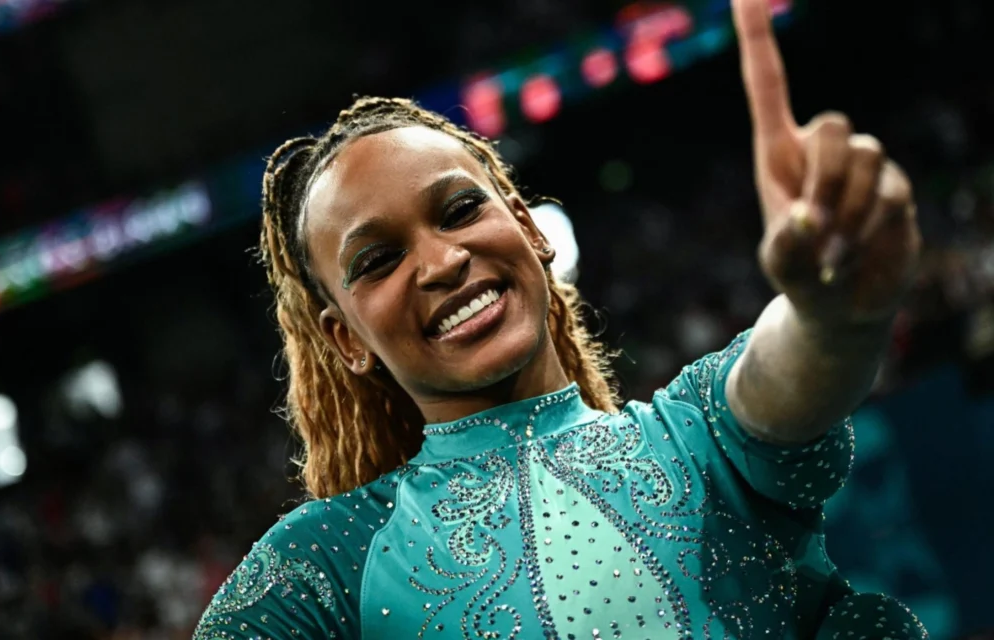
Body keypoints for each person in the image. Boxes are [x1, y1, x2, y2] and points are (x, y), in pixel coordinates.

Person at [194, 0, 928, 637]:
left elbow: (785, 370)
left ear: (530, 228)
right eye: (378, 260)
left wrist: (834, 312)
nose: (442, 262)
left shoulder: (696, 437)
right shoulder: (326, 566)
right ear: (345, 338)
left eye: (459, 211)